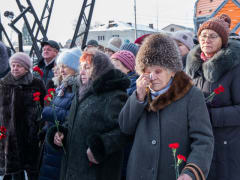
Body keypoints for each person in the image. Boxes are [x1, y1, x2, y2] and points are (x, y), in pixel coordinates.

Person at [119, 33, 214, 180]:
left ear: (172, 71)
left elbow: (203, 140)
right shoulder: (140, 93)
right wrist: (137, 98)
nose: (152, 77)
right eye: (147, 72)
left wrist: (191, 172)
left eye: (158, 71)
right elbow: (125, 127)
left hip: (175, 174)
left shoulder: (191, 95)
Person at [47, 50, 130, 180]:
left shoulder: (115, 95)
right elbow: (71, 120)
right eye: (81, 67)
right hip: (72, 167)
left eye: (88, 67)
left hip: (97, 171)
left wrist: (100, 146)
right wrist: (61, 132)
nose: (82, 72)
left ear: (101, 69)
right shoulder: (82, 91)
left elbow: (123, 131)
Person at [186, 14, 240, 180]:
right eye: (203, 36)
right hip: (197, 142)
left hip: (226, 145)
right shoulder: (192, 68)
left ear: (222, 40)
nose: (206, 40)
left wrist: (209, 116)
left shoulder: (235, 68)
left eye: (212, 36)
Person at [0, 52, 46, 180]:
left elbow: (45, 105)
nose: (15, 68)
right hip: (8, 135)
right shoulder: (3, 83)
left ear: (26, 68)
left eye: (19, 66)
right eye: (13, 65)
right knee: (13, 169)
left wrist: (39, 127)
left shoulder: (36, 83)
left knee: (32, 169)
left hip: (30, 134)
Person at [39, 48, 81, 180]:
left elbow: (73, 114)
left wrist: (47, 112)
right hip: (51, 141)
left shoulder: (77, 88)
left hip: (62, 143)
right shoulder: (61, 86)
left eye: (66, 67)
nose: (62, 70)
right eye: (61, 66)